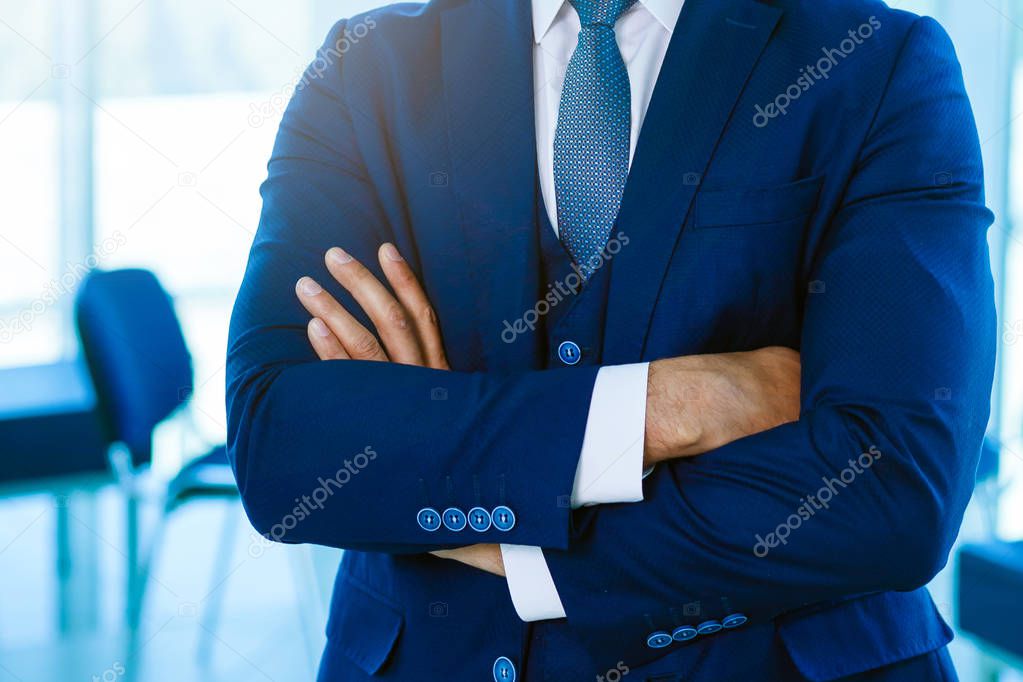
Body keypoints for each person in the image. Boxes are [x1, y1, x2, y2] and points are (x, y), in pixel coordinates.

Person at [226, 0, 996, 679]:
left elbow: (895, 488)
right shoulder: (364, 69)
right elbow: (283, 450)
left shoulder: (878, 61)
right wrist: (664, 406)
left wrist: (487, 517)